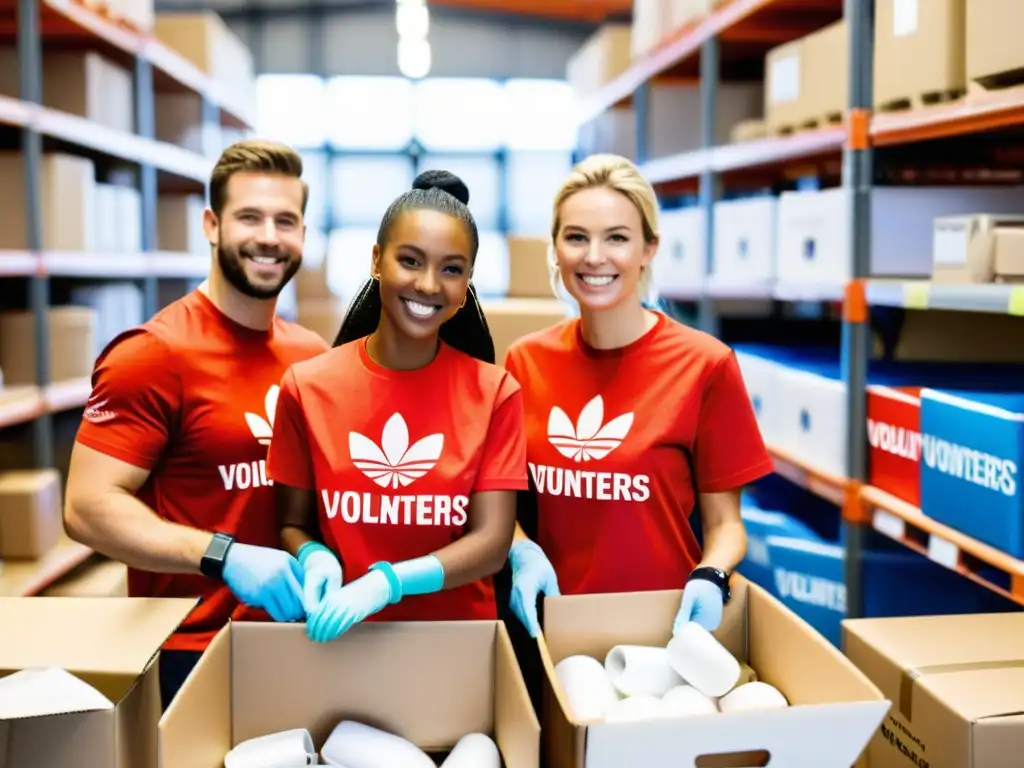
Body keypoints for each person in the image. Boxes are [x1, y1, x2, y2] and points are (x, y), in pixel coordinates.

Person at [64, 140, 330, 709]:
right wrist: (224, 555)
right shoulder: (154, 354)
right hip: (192, 653)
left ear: (303, 234)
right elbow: (86, 507)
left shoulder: (311, 355)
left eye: (286, 220)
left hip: (302, 639)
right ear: (211, 225)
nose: (269, 236)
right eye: (249, 217)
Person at [504, 154, 772, 642]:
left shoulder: (704, 366)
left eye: (617, 238)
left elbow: (726, 525)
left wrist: (711, 574)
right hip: (556, 630)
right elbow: (502, 508)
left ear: (649, 248)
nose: (594, 257)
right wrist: (521, 550)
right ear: (556, 248)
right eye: (577, 237)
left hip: (665, 630)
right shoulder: (525, 363)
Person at [267, 170, 527, 643]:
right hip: (340, 643)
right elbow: (290, 524)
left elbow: (491, 544)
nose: (429, 285)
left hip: (457, 649)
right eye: (410, 260)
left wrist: (390, 582)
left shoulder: (495, 392)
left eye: (451, 269)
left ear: (468, 280)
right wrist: (313, 556)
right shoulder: (306, 387)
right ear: (376, 261)